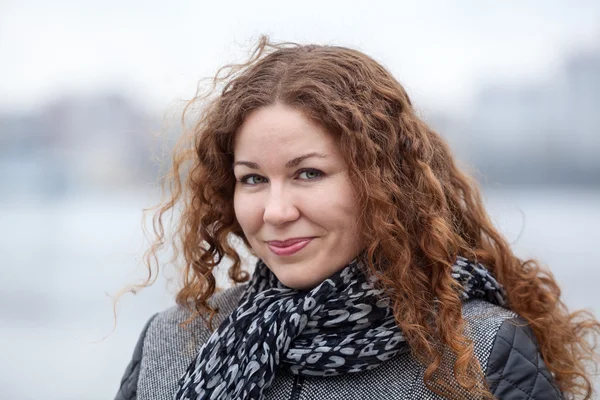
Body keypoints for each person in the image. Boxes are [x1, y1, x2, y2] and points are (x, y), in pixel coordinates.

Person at [114, 36, 599, 400]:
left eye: (308, 173)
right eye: (253, 179)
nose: (276, 212)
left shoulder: (479, 347)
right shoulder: (172, 340)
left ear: (382, 182)